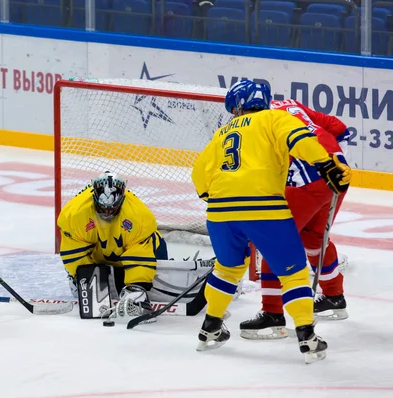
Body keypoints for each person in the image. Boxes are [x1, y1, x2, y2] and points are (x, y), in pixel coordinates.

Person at [191, 80, 351, 364]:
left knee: (227, 269)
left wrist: (218, 199)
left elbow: (199, 176)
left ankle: (210, 329)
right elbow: (301, 141)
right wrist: (327, 165)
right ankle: (307, 337)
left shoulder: (222, 132)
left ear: (238, 106)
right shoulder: (275, 116)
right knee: (293, 271)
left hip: (220, 212)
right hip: (265, 208)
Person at [240, 99, 350, 340]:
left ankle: (272, 314)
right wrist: (330, 157)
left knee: (273, 241)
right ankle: (334, 297)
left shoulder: (258, 122)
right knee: (314, 238)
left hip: (307, 179)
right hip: (339, 174)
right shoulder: (288, 104)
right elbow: (340, 128)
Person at [57, 171, 168, 319]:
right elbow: (73, 252)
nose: (108, 213)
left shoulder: (138, 216)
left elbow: (140, 252)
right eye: (103, 209)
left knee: (157, 255)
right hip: (99, 256)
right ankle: (75, 279)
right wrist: (83, 277)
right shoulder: (75, 214)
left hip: (130, 251)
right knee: (81, 275)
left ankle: (135, 283)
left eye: (112, 209)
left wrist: (136, 287)